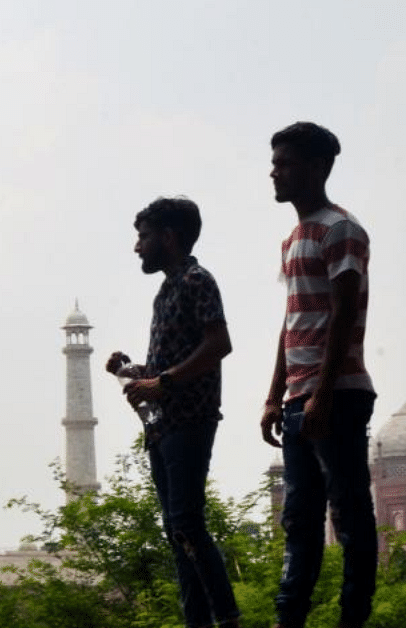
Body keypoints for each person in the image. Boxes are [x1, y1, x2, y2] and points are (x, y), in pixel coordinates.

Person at [260, 122, 376, 628]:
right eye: (275, 162)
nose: (274, 172)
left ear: (318, 167)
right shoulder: (291, 241)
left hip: (337, 394)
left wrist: (323, 394)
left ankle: (353, 617)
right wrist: (273, 397)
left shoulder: (340, 229)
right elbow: (294, 323)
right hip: (300, 399)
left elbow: (344, 311)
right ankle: (291, 616)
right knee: (299, 517)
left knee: (348, 514)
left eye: (285, 163)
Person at [106, 197, 240, 628]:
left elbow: (218, 344)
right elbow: (172, 365)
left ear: (169, 237)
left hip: (190, 420)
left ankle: (227, 618)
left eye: (143, 237)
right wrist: (134, 372)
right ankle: (197, 620)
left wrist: (160, 383)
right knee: (176, 532)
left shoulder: (197, 281)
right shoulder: (167, 291)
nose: (137, 247)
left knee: (186, 523)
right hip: (164, 426)